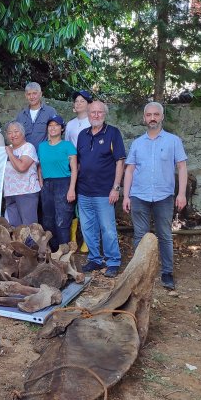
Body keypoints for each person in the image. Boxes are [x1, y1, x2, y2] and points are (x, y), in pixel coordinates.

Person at [123, 102, 188, 290]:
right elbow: (129, 171)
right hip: (139, 196)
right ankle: (139, 272)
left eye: (156, 114)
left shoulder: (173, 141)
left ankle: (167, 272)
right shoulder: (137, 143)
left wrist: (181, 194)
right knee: (140, 236)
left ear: (162, 117)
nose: (152, 118)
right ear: (144, 118)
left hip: (164, 196)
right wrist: (126, 196)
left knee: (165, 235)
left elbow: (182, 167)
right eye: (149, 115)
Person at [76, 100, 126, 278]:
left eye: (99, 112)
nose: (96, 115)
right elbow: (79, 163)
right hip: (84, 191)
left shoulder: (113, 133)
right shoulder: (82, 135)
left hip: (105, 191)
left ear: (104, 114)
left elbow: (120, 161)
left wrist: (116, 188)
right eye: (92, 112)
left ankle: (113, 261)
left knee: (107, 228)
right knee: (88, 228)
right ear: (88, 114)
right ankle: (95, 259)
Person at [37, 115, 77, 251]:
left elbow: (74, 169)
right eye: (50, 125)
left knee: (62, 219)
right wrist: (41, 182)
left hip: (63, 183)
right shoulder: (42, 146)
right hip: (47, 185)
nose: (53, 128)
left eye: (56, 125)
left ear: (62, 128)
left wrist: (71, 189)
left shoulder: (68, 146)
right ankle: (52, 252)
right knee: (48, 219)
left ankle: (64, 253)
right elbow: (40, 166)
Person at [3, 121, 41, 226]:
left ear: (23, 133)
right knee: (15, 228)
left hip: (26, 192)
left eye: (16, 131)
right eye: (10, 132)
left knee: (29, 228)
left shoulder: (28, 147)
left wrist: (10, 153)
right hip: (10, 193)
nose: (13, 135)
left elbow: (22, 167)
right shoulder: (6, 149)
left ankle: (32, 243)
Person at [15, 82, 57, 150]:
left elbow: (56, 135)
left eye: (34, 93)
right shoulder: (21, 115)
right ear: (26, 95)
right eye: (29, 94)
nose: (32, 97)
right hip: (26, 156)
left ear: (40, 94)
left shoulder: (50, 112)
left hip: (44, 154)